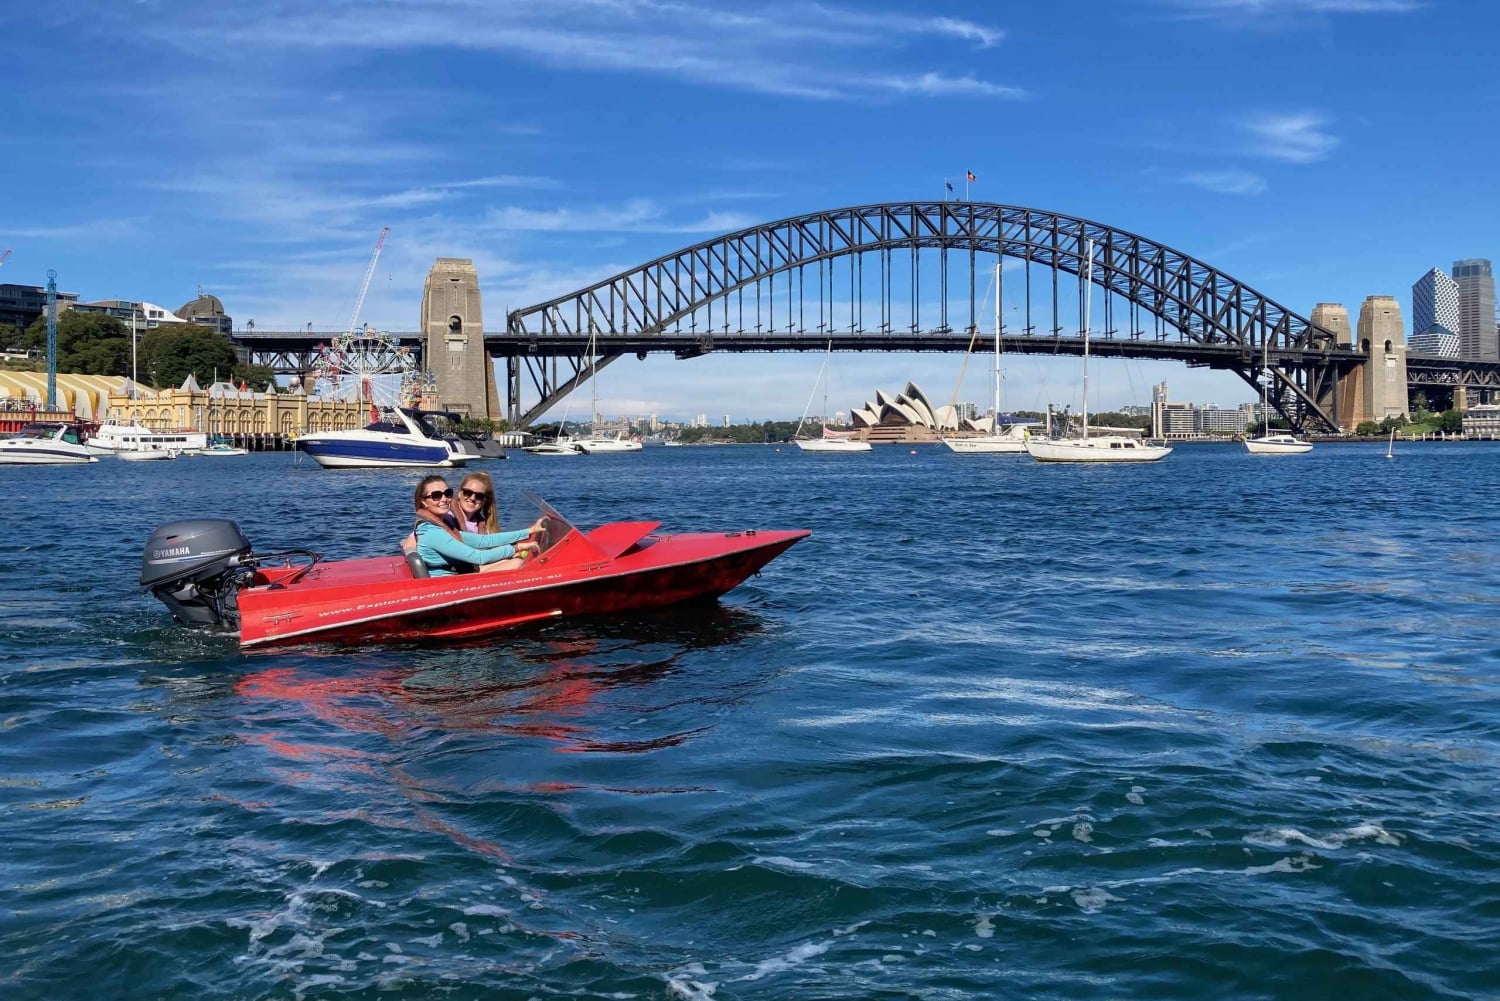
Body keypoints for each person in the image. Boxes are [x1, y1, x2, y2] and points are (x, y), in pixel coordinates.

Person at [408, 475, 542, 575]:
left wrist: (528, 531)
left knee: (516, 561)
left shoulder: (442, 526)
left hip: (460, 572)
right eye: (436, 495)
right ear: (423, 501)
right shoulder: (432, 532)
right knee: (517, 563)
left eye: (447, 494)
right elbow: (479, 557)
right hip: (448, 585)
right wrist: (516, 547)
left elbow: (484, 541)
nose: (444, 499)